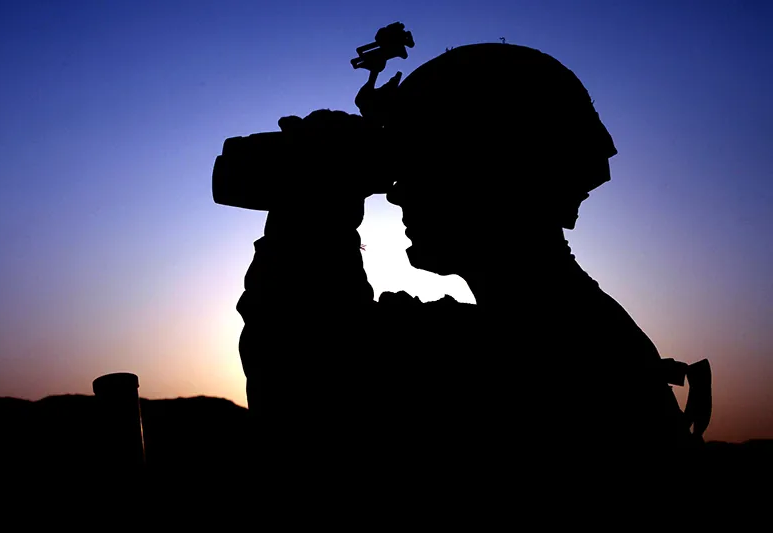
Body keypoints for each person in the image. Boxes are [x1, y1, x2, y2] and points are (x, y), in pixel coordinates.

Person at [237, 43, 694, 489]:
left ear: (488, 172)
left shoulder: (542, 355)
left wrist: (315, 202)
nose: (395, 193)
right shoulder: (564, 328)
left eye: (418, 165)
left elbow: (301, 391)